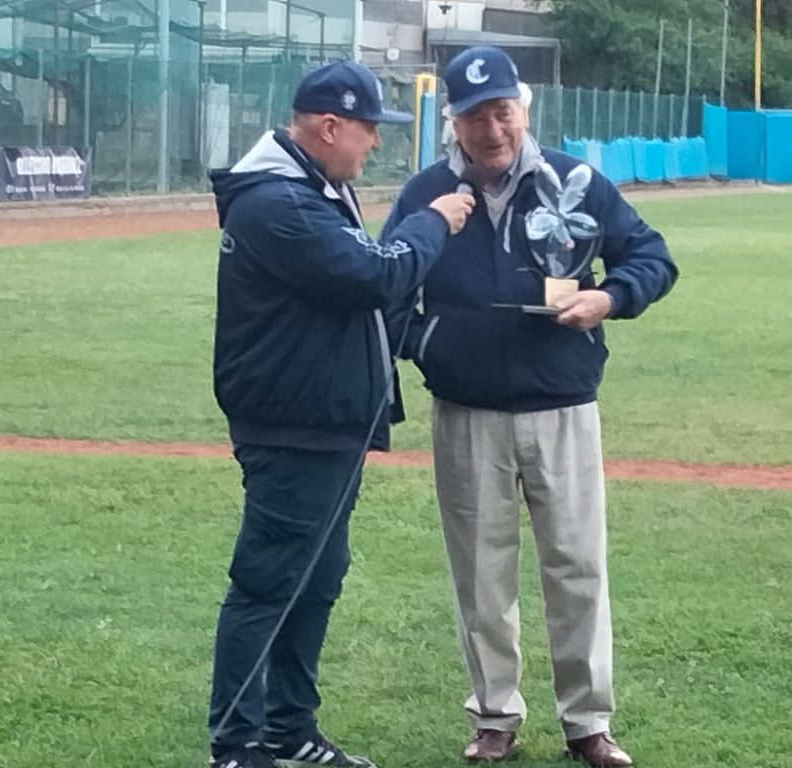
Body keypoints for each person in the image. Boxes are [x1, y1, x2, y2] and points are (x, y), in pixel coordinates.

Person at [383, 46, 678, 767]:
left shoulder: (576, 182)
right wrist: (431, 343)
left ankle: (588, 722)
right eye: (474, 117)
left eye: (502, 113)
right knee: (481, 575)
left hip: (562, 405)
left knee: (578, 566)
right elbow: (386, 289)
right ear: (451, 122)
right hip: (467, 411)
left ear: (524, 110)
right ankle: (494, 717)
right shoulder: (425, 193)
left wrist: (610, 297)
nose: (491, 130)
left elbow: (652, 256)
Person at [206, 60, 474, 768]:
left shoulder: (309, 192)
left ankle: (287, 729)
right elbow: (374, 274)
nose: (374, 143)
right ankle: (236, 744)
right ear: (329, 127)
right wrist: (433, 222)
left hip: (323, 422)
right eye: (367, 129)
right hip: (295, 425)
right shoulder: (280, 204)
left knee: (316, 578)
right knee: (269, 581)